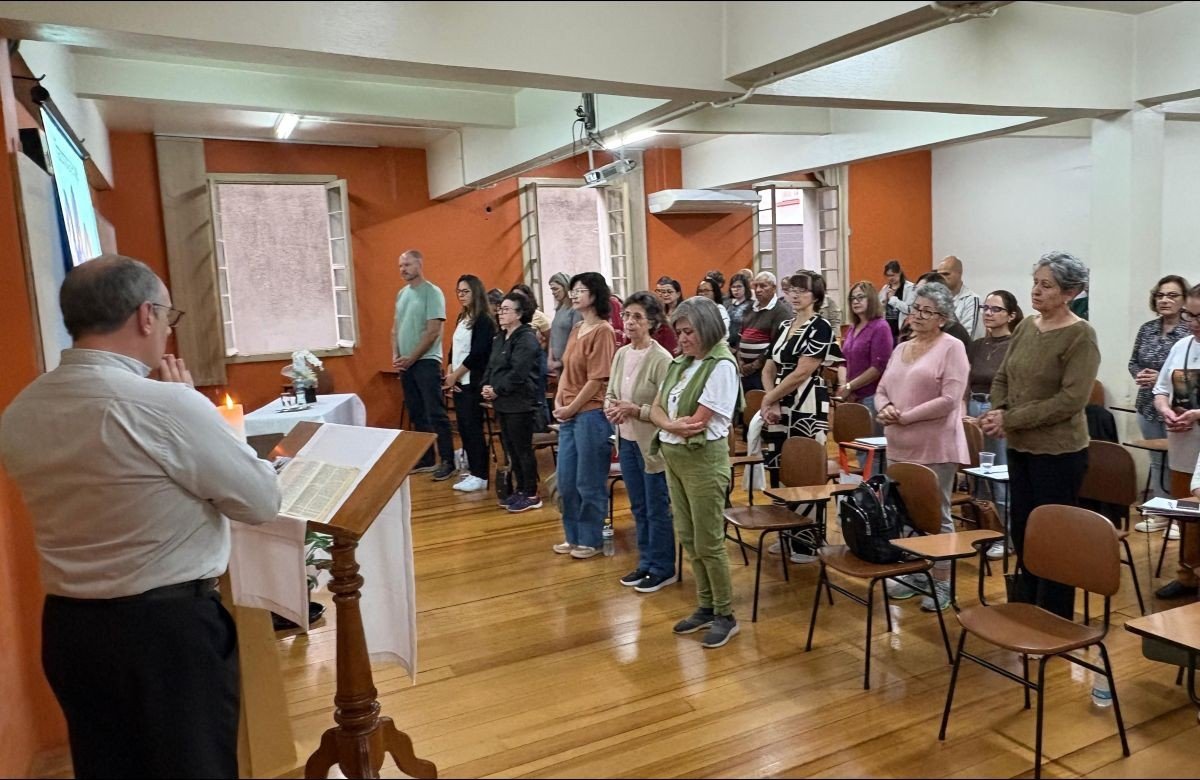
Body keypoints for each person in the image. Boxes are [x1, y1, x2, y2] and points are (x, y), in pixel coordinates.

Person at [0, 255, 282, 778]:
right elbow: (260, 502)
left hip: (71, 627)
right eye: (169, 318)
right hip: (167, 632)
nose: (167, 333)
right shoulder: (163, 405)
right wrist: (197, 411)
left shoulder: (21, 411)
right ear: (146, 315)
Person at [982, 252, 1100, 619]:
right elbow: (1003, 375)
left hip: (1059, 453)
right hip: (1022, 446)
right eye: (1035, 282)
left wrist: (1011, 419)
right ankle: (1027, 605)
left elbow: (1069, 401)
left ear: (1070, 292)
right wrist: (1000, 411)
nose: (1035, 290)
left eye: (1046, 285)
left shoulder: (1081, 335)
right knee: (1024, 528)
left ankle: (1054, 614)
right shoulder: (1026, 327)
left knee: (1054, 536)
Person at [650, 296, 743, 649]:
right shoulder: (681, 362)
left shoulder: (721, 365)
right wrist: (667, 423)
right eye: (679, 332)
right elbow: (657, 408)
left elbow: (696, 422)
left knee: (709, 540)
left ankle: (725, 613)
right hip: (676, 458)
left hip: (704, 460)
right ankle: (705, 604)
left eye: (689, 332)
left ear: (707, 329)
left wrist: (667, 424)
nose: (683, 338)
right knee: (687, 535)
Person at [876, 281, 971, 612]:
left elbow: (950, 399)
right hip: (900, 445)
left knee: (937, 513)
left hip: (936, 444)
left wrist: (905, 416)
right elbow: (883, 388)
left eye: (926, 311)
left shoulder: (952, 347)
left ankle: (943, 582)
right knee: (906, 512)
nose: (917, 315)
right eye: (915, 308)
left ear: (942, 317)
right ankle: (916, 574)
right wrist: (885, 408)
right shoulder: (901, 347)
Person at [760, 273, 842, 564]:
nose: (795, 296)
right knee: (780, 467)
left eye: (802, 291)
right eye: (792, 290)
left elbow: (803, 371)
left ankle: (807, 541)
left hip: (806, 402)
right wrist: (771, 399)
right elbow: (769, 366)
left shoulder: (820, 327)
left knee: (804, 470)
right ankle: (786, 531)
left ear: (816, 296)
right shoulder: (784, 325)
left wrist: (770, 398)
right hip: (779, 402)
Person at [604, 292, 676, 592]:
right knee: (638, 507)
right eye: (627, 316)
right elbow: (610, 391)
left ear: (652, 323)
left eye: (637, 317)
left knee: (657, 507)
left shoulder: (662, 359)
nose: (629, 322)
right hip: (628, 441)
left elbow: (668, 409)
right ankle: (645, 561)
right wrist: (611, 408)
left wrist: (636, 410)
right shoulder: (622, 353)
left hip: (652, 446)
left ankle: (663, 567)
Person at [553, 272, 617, 558]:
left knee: (588, 481)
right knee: (566, 481)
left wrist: (572, 407)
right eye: (573, 290)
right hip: (568, 412)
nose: (575, 294)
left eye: (580, 290)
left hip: (590, 413)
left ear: (595, 295)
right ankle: (573, 535)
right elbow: (566, 368)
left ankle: (591, 539)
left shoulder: (604, 330)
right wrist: (558, 401)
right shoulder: (577, 327)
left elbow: (597, 380)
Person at [1151, 282, 1200, 600]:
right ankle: (1188, 574)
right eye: (1190, 315)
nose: (1193, 322)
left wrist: (1197, 413)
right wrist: (1166, 410)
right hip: (1183, 439)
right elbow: (1159, 389)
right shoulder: (1181, 346)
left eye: (1199, 316)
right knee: (1186, 512)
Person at [1128, 275, 1190, 525]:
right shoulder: (1147, 329)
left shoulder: (1190, 332)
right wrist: (1140, 375)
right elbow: (1133, 361)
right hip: (1147, 405)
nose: (1165, 300)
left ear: (1185, 300)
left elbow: (1190, 374)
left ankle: (1180, 515)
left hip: (1180, 408)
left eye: (1172, 295)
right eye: (1160, 295)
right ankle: (1161, 512)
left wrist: (1161, 380)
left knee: (1178, 463)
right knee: (1156, 460)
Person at [966, 289, 1023, 559]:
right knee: (978, 478)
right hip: (973, 407)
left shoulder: (1016, 344)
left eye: (995, 309)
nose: (988, 313)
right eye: (985, 309)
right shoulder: (977, 345)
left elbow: (1015, 386)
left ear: (1011, 315)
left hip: (997, 409)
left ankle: (1009, 537)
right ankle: (986, 531)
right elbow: (967, 380)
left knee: (999, 476)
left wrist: (997, 412)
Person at [392, 249, 456, 480]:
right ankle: (427, 458)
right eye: (400, 266)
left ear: (419, 264)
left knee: (435, 412)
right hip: (407, 364)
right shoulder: (402, 294)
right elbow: (396, 328)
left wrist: (412, 357)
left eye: (407, 264)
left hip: (426, 361)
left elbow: (432, 332)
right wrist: (397, 356)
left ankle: (448, 459)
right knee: (417, 412)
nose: (403, 269)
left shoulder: (432, 292)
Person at [481, 291, 544, 513]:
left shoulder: (526, 338)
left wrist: (497, 389)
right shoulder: (500, 337)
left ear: (519, 314)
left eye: (506, 309)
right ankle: (519, 489)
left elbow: (519, 372)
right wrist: (486, 386)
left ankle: (531, 492)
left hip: (520, 402)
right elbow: (492, 366)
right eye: (501, 309)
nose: (500, 312)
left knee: (522, 448)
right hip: (502, 402)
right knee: (510, 448)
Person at [443, 274, 497, 493]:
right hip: (458, 380)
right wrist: (449, 370)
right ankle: (473, 470)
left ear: (476, 292)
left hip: (472, 382)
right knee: (464, 427)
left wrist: (456, 375)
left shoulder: (483, 319)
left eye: (465, 291)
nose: (461, 296)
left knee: (473, 428)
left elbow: (478, 354)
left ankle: (480, 475)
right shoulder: (462, 317)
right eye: (458, 291)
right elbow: (454, 349)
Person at [832, 281, 894, 424]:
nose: (856, 301)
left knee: (870, 443)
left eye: (860, 297)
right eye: (852, 298)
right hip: (852, 395)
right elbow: (843, 360)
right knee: (855, 442)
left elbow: (878, 367)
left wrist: (850, 386)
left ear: (871, 299)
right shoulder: (853, 328)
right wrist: (844, 386)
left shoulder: (880, 327)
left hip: (871, 396)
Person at [736, 271, 793, 393]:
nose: (758, 290)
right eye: (755, 286)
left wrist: (755, 364)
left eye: (763, 286)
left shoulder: (781, 312)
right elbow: (741, 338)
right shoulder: (749, 309)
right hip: (744, 370)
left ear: (773, 288)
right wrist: (740, 360)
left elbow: (776, 345)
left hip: (764, 371)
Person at [899, 271, 972, 351]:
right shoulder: (909, 324)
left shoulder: (955, 334)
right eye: (915, 290)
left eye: (924, 292)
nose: (917, 296)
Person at [937, 255, 983, 339]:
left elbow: (968, 336)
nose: (942, 278)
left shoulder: (971, 299)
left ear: (959, 273)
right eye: (939, 275)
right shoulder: (937, 298)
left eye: (946, 274)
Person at [547, 271, 580, 376]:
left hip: (569, 362)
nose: (553, 292)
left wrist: (561, 362)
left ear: (565, 287)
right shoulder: (559, 309)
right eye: (552, 290)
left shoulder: (574, 309)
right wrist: (550, 358)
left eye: (556, 289)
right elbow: (553, 335)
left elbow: (576, 337)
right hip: (556, 362)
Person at [880, 259, 917, 339]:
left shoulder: (910, 288)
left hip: (901, 330)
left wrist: (893, 299)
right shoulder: (885, 288)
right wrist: (884, 302)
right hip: (887, 330)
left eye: (893, 275)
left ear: (899, 273)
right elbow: (879, 309)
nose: (890, 278)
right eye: (888, 275)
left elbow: (909, 310)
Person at [653, 276, 683, 354]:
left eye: (669, 292)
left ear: (678, 294)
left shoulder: (683, 311)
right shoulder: (660, 311)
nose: (666, 295)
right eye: (663, 292)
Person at [725, 272, 753, 349]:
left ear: (745, 288)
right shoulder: (727, 304)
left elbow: (749, 329)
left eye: (739, 286)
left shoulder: (751, 305)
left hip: (742, 345)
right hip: (726, 344)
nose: (736, 289)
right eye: (733, 287)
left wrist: (737, 348)